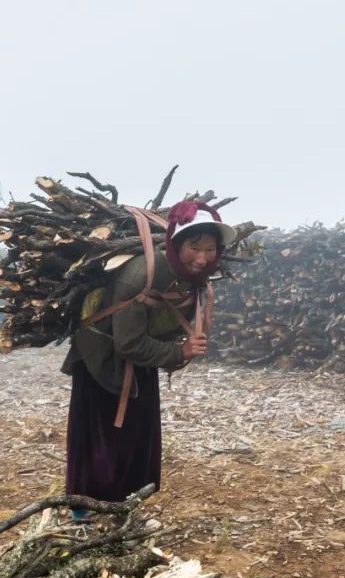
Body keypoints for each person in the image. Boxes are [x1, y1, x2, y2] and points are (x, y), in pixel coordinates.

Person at [61, 200, 237, 518]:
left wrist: (175, 349)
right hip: (101, 363)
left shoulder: (191, 278)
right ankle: (81, 514)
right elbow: (128, 343)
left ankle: (124, 510)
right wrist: (179, 352)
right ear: (175, 244)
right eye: (194, 248)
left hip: (140, 365)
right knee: (100, 445)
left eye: (210, 249)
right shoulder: (141, 275)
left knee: (136, 442)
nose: (202, 258)